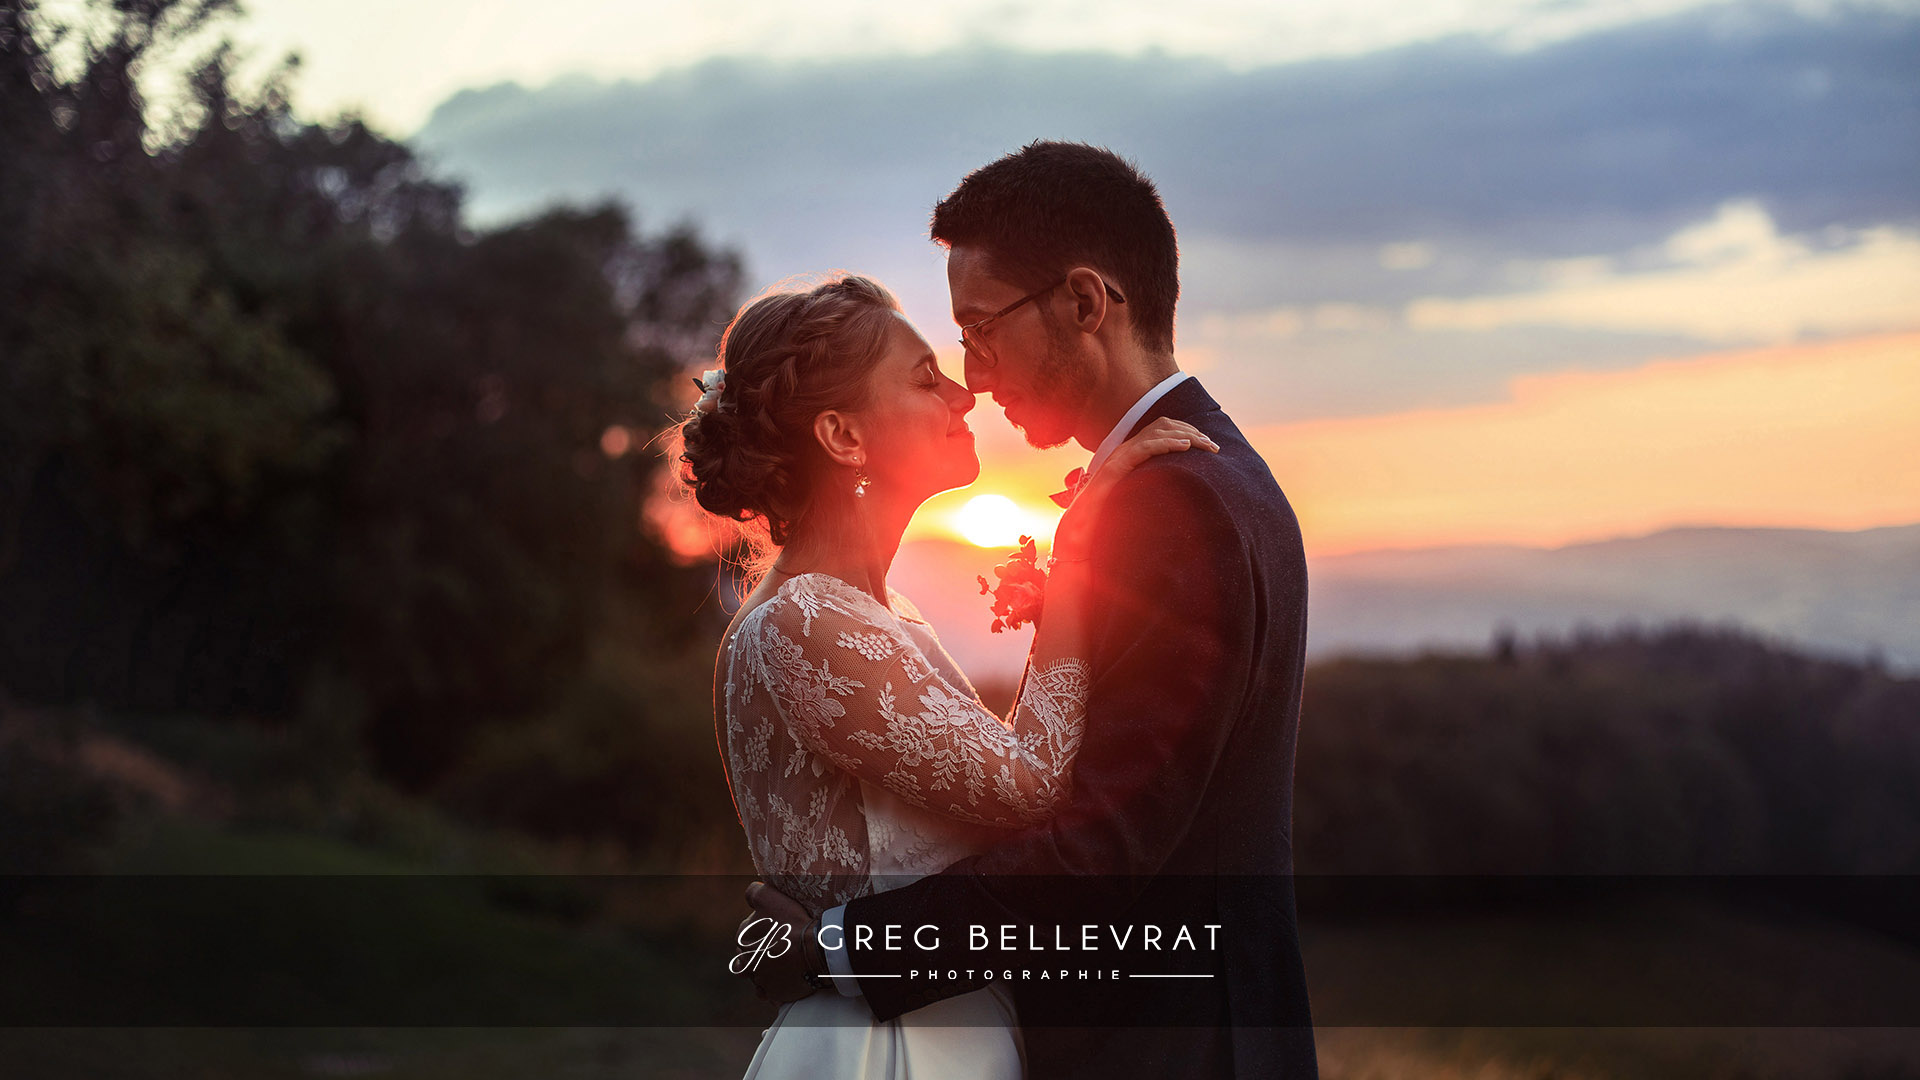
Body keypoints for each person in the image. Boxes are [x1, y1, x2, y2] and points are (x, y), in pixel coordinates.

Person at [738, 142, 1319, 1079]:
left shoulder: (1174, 504)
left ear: (1085, 304)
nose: (974, 372)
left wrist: (838, 947)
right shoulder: (1220, 476)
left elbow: (1101, 847)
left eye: (980, 327)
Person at [677, 271, 1216, 1078]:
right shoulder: (808, 623)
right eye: (926, 378)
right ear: (843, 436)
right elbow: (1032, 785)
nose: (964, 395)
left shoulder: (874, 610)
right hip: (888, 1050)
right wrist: (1079, 560)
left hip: (936, 1024)